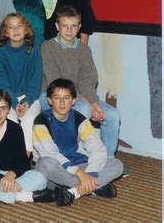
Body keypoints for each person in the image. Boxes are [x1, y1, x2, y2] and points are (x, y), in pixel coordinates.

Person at [39, 6, 120, 157]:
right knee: (83, 108)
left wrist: (94, 102)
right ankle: (71, 156)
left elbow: (88, 79)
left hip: (81, 96)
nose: (69, 30)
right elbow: (56, 83)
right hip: (53, 96)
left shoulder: (84, 49)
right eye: (65, 26)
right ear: (57, 26)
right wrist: (89, 103)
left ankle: (107, 159)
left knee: (113, 115)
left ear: (79, 27)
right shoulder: (47, 47)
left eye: (73, 26)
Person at [33, 78, 124, 206]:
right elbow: (51, 154)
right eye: (57, 98)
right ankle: (94, 186)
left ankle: (74, 191)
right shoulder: (41, 121)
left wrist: (90, 173)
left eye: (66, 98)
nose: (62, 102)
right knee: (45, 163)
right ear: (50, 100)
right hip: (56, 172)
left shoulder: (78, 119)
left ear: (74, 101)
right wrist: (80, 174)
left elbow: (97, 148)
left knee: (117, 165)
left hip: (80, 165)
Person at [0, 89, 57, 205]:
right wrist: (1, 179)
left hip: (12, 176)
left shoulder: (15, 129)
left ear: (9, 110)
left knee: (40, 178)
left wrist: (11, 175)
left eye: (3, 108)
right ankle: (26, 196)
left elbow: (23, 160)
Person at [0, 13, 42, 156]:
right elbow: (2, 84)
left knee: (28, 122)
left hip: (30, 97)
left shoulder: (34, 50)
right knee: (10, 121)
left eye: (19, 26)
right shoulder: (0, 54)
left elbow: (35, 81)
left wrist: (27, 101)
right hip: (8, 99)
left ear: (26, 29)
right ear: (5, 32)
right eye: (11, 27)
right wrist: (14, 103)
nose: (15, 30)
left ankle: (25, 160)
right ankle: (10, 158)